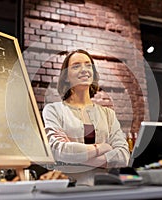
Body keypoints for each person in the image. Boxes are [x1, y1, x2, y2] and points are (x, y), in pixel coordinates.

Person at [42, 49, 130, 186]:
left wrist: (76, 158)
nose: (84, 70)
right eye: (76, 66)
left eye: (88, 65)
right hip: (69, 189)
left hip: (105, 188)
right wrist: (104, 147)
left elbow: (123, 155)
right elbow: (59, 150)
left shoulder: (108, 114)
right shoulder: (54, 110)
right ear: (65, 76)